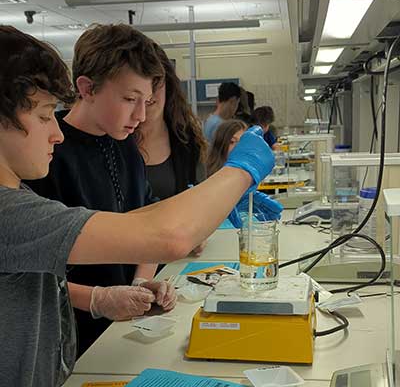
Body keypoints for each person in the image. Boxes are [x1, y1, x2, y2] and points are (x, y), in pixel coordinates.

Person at [0, 25, 275, 386]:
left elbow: (137, 219)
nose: (57, 133)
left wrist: (206, 208)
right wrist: (241, 172)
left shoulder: (117, 149)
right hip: (83, 342)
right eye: (43, 115)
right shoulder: (12, 211)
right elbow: (164, 235)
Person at [26, 24, 179, 357]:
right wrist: (99, 299)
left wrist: (141, 282)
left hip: (124, 329)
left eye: (147, 102)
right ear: (87, 88)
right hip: (69, 339)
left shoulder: (126, 146)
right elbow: (31, 279)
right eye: (128, 99)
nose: (140, 116)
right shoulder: (45, 155)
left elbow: (144, 222)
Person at [136, 44, 208, 260]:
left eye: (155, 84)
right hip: (122, 267)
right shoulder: (113, 143)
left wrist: (200, 230)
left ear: (168, 86)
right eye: (135, 91)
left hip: (174, 262)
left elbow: (200, 206)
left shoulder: (186, 143)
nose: (147, 96)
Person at [207, 120, 283, 226]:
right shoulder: (209, 184)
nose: (239, 147)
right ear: (221, 147)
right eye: (232, 142)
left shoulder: (246, 179)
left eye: (243, 142)